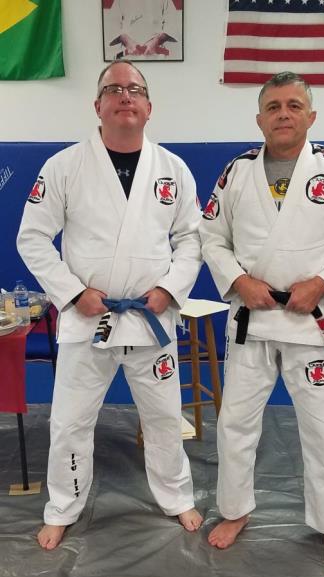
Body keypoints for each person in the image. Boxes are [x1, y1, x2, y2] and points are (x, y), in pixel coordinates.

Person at [200, 72, 324, 567]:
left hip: (312, 321)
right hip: (251, 318)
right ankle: (235, 510)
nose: (284, 113)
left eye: (294, 105)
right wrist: (238, 280)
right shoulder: (236, 171)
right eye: (274, 106)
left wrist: (323, 283)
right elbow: (210, 236)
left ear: (311, 116)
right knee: (235, 423)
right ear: (260, 119)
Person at [17, 59, 203, 550]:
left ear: (149, 107)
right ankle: (63, 507)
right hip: (88, 319)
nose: (125, 96)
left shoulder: (173, 170)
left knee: (164, 417)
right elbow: (31, 237)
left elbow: (192, 239)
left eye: (135, 89)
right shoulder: (64, 166)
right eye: (114, 89)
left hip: (149, 318)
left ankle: (176, 496)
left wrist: (171, 289)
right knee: (70, 422)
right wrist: (73, 293)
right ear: (97, 104)